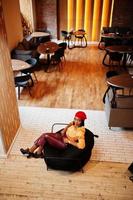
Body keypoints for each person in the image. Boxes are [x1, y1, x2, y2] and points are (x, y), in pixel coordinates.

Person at [20, 111, 87, 158]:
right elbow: (71, 123)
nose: (76, 122)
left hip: (64, 144)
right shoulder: (74, 123)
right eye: (75, 119)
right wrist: (65, 129)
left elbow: (81, 146)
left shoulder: (80, 132)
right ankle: (34, 151)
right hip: (61, 136)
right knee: (44, 134)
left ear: (82, 121)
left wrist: (69, 141)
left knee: (46, 136)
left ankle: (34, 152)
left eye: (79, 120)